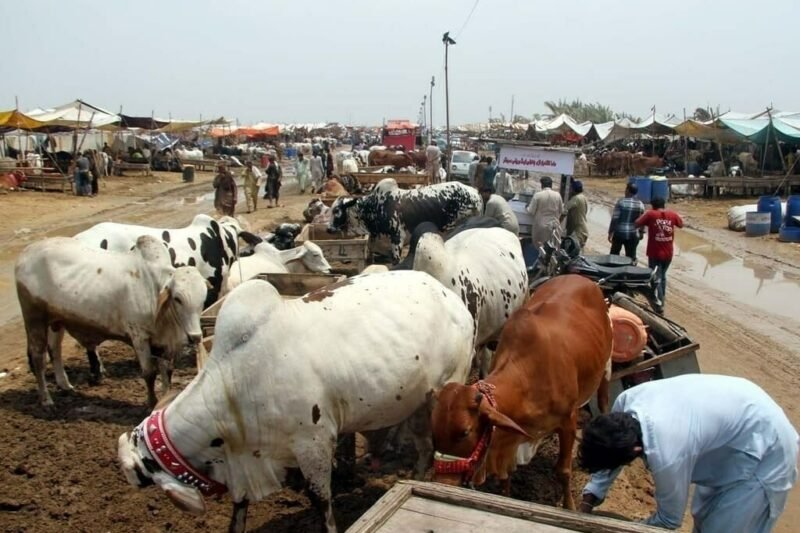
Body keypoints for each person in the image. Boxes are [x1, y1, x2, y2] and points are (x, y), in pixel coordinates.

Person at [579, 374, 798, 532]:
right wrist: (591, 494)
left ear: (636, 450)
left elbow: (668, 520)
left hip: (768, 449)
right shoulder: (626, 401)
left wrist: (617, 529)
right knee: (704, 516)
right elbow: (608, 457)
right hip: (735, 426)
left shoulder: (667, 454)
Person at [635, 196, 683, 312]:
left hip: (655, 253)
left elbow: (637, 223)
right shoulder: (672, 214)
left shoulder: (651, 214)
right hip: (668, 253)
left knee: (656, 278)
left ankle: (659, 304)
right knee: (663, 277)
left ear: (653, 205)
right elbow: (681, 224)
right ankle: (662, 299)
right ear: (664, 204)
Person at [608, 183, 646, 263]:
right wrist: (641, 233)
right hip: (633, 234)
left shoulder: (621, 202)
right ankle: (630, 273)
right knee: (631, 257)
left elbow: (615, 219)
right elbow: (643, 221)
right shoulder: (641, 204)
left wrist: (611, 232)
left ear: (628, 191)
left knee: (614, 256)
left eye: (626, 189)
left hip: (619, 233)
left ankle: (613, 271)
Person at [526, 176, 563, 246]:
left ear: (542, 185)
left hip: (541, 226)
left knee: (541, 248)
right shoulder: (557, 195)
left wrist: (527, 207)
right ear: (551, 185)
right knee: (553, 249)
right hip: (555, 226)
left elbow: (531, 211)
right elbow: (561, 210)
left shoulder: (538, 195)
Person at [564, 179, 588, 247]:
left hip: (577, 232)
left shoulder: (576, 198)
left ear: (573, 190)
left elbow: (564, 210)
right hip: (582, 230)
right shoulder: (583, 197)